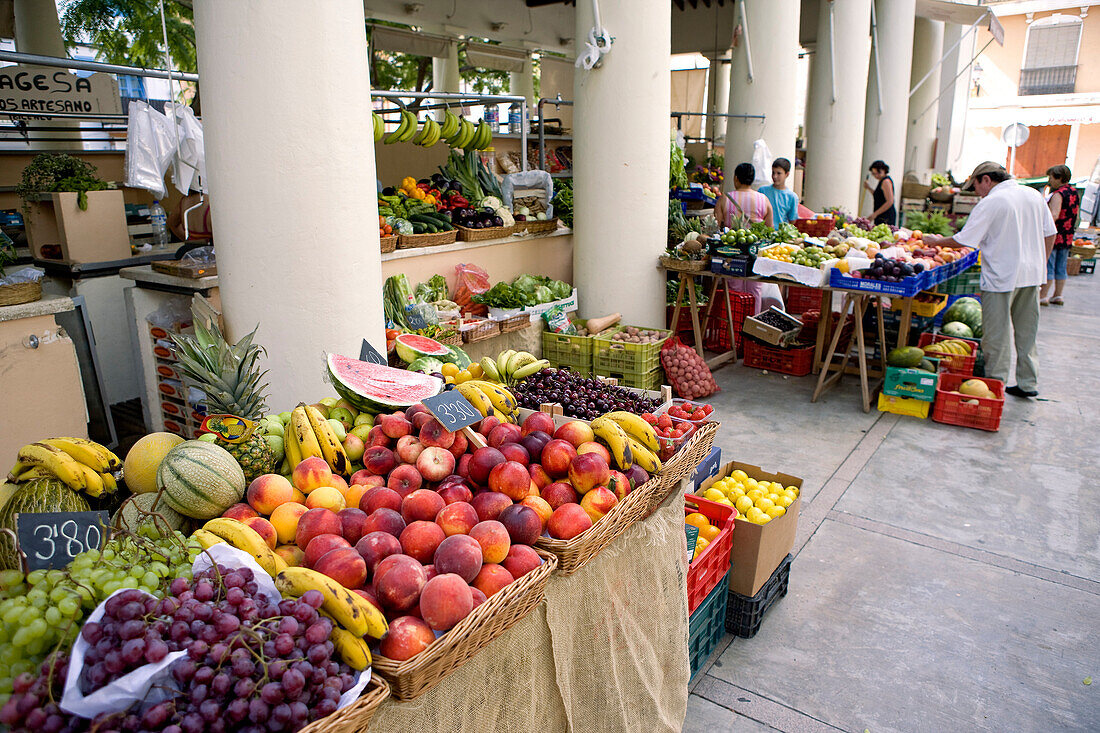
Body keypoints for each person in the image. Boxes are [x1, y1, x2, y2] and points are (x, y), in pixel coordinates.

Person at [922, 161, 1055, 398]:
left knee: (996, 334)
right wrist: (1041, 264)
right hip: (1031, 275)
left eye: (975, 187)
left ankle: (995, 383)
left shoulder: (993, 201)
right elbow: (1050, 233)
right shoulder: (1033, 195)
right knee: (1027, 332)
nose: (976, 193)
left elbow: (965, 240)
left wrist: (935, 242)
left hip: (1002, 277)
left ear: (986, 179)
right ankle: (1028, 382)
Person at [1040, 164, 1079, 306]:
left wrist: (1042, 225)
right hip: (1067, 235)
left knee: (1049, 265)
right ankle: (1058, 295)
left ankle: (1043, 296)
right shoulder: (1074, 192)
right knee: (1061, 266)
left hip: (1055, 235)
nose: (1050, 180)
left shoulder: (1058, 194)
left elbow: (1054, 215)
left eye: (1051, 177)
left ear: (1059, 178)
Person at [717, 162, 773, 229]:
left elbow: (715, 225)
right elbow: (770, 228)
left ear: (736, 178)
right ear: (752, 179)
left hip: (731, 238)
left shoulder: (724, 199)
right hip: (756, 238)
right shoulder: (764, 200)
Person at [759, 158, 800, 226]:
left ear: (787, 174)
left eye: (779, 173)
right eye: (773, 173)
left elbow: (792, 220)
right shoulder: (762, 191)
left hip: (780, 233)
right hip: (763, 232)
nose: (775, 176)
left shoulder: (792, 197)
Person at [863, 160, 896, 226]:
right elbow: (878, 196)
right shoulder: (881, 181)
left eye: (878, 173)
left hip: (886, 215)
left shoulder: (886, 181)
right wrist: (868, 187)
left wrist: (874, 214)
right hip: (880, 214)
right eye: (874, 174)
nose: (876, 176)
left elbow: (890, 201)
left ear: (884, 170)